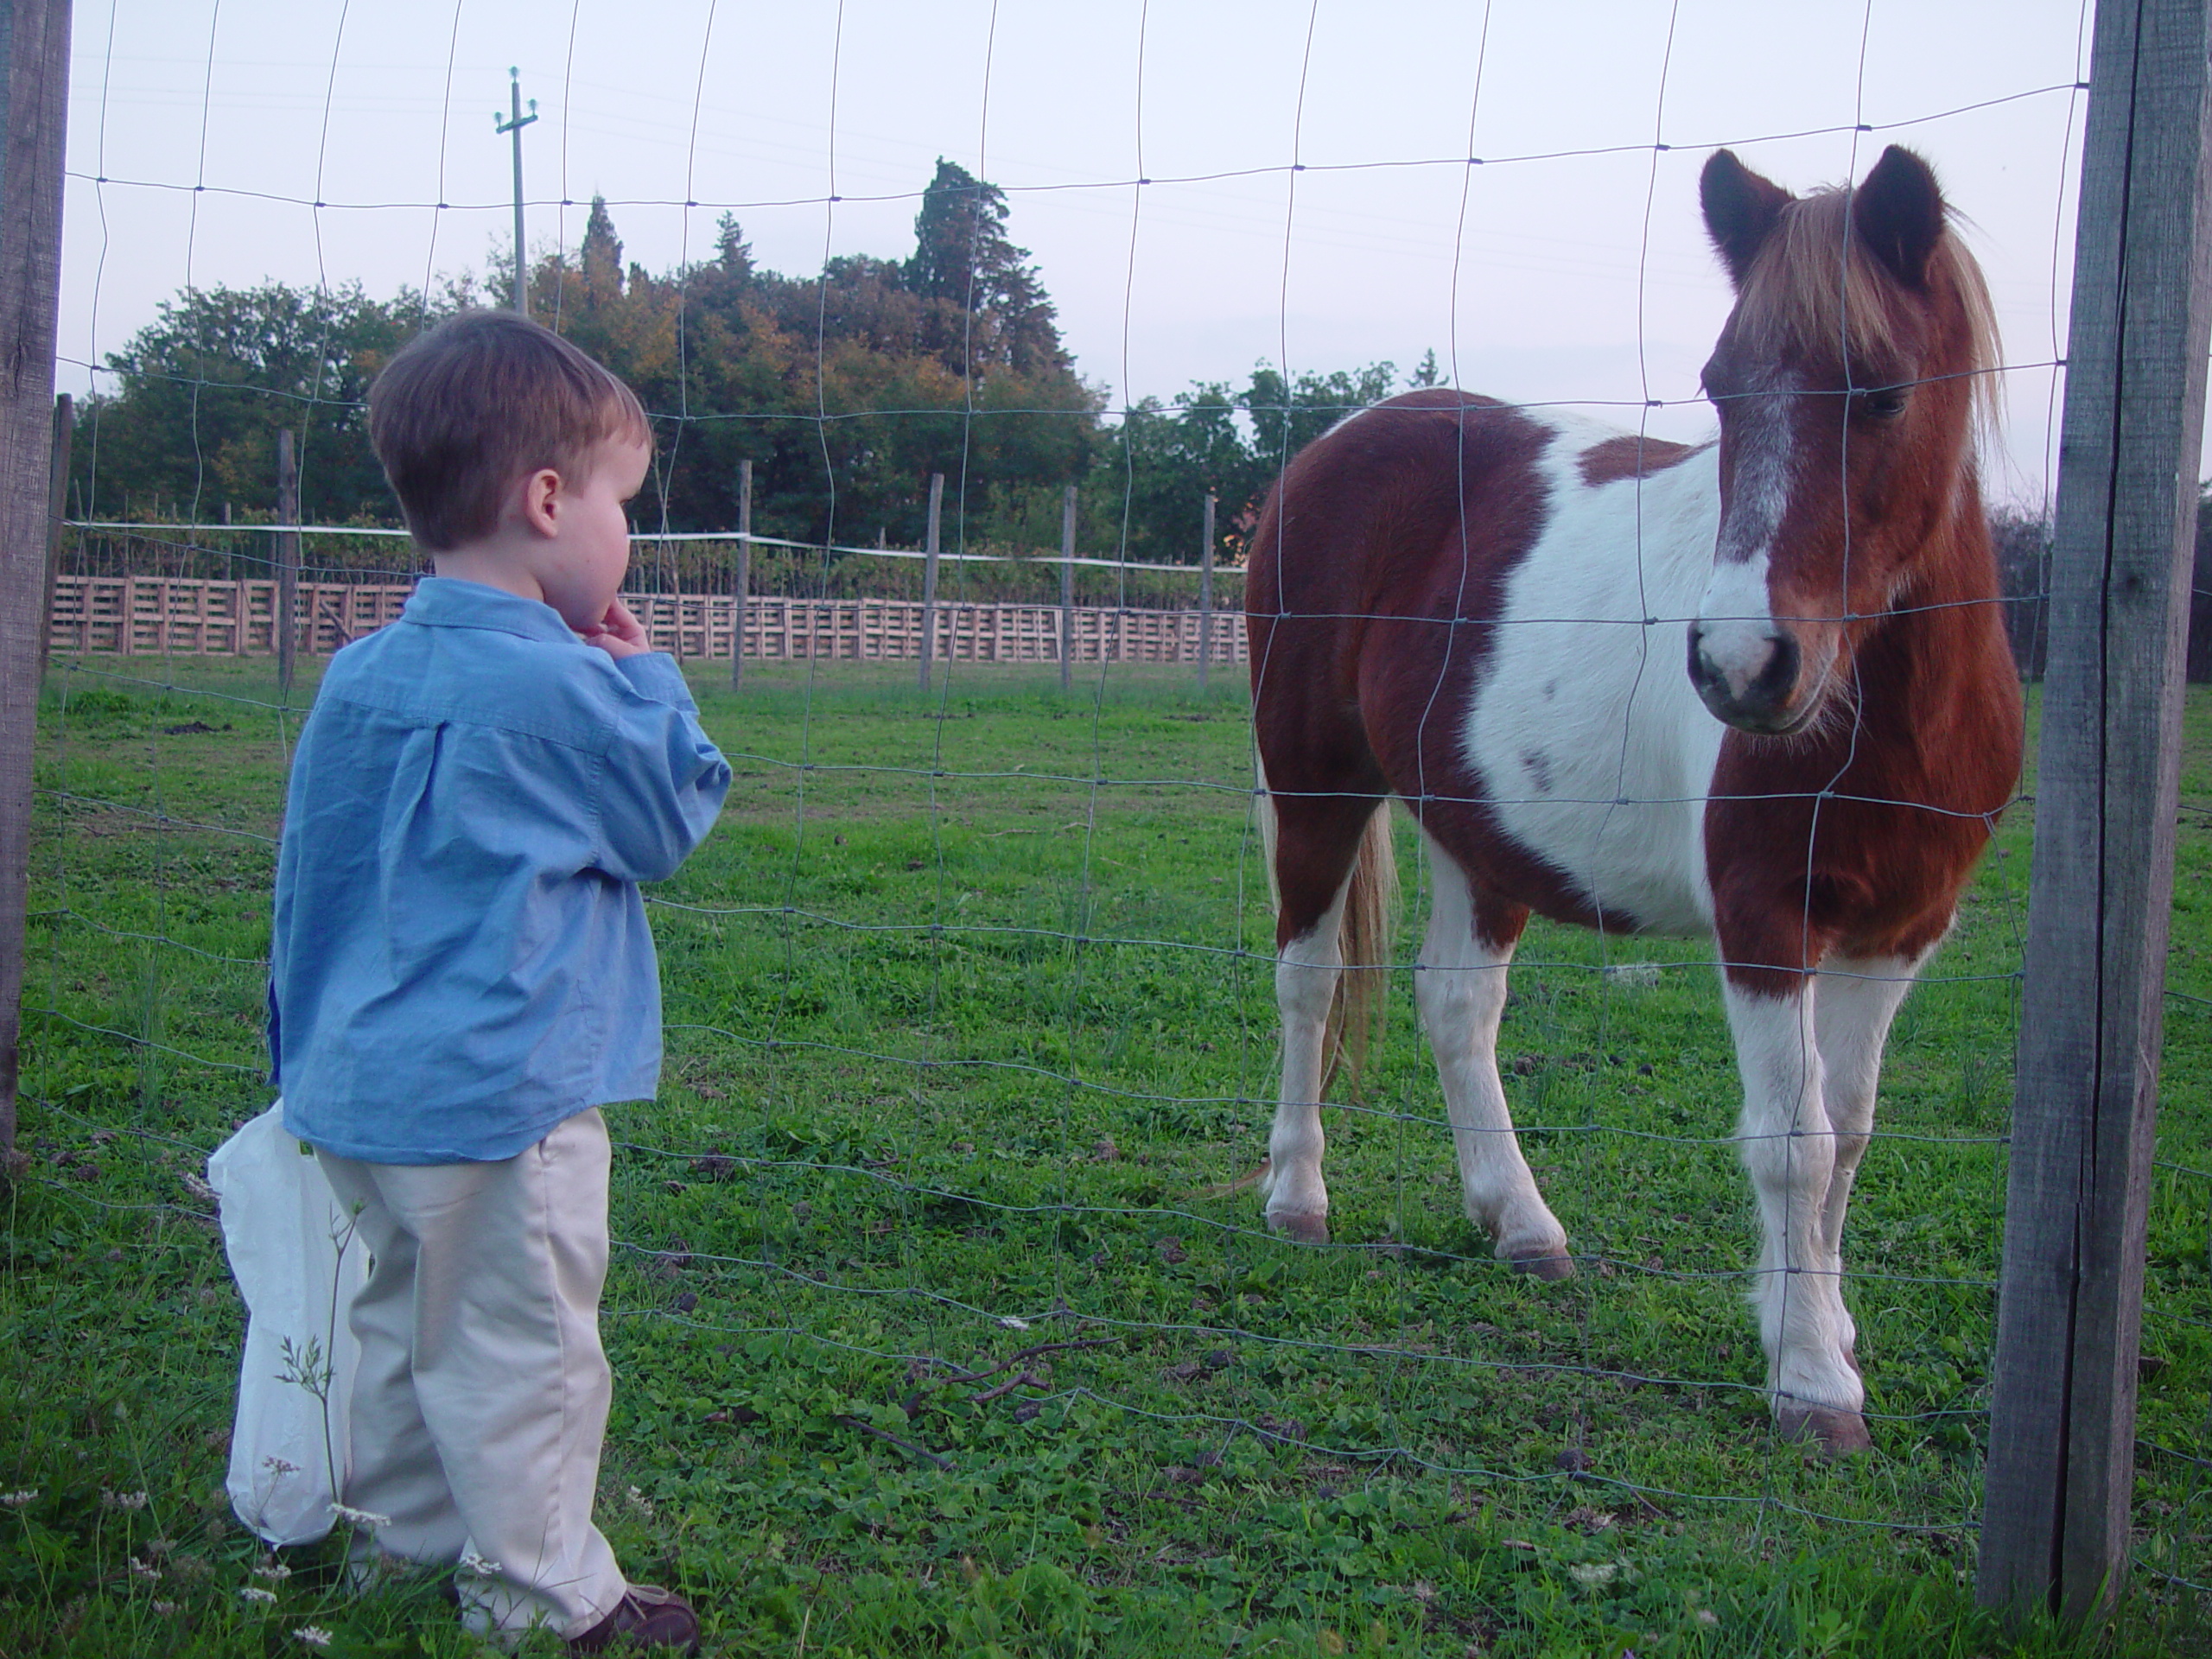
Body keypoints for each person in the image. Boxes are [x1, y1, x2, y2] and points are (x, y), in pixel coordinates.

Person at [268, 310, 731, 1652]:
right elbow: (669, 820)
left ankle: (393, 1552)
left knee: (400, 1336)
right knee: (522, 1353)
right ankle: (549, 1601)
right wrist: (649, 688)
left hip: (357, 1091)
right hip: (501, 1101)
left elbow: (312, 880)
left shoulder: (357, 677)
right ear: (546, 502)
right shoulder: (567, 691)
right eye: (621, 505)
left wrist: (300, 1060)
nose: (626, 539)